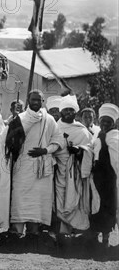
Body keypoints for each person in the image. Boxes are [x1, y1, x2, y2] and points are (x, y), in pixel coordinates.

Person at [5, 90, 63, 244]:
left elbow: (58, 141)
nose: (36, 102)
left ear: (43, 101)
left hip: (41, 167)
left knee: (38, 201)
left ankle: (33, 233)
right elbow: (10, 141)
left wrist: (45, 150)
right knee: (19, 197)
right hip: (22, 165)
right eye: (33, 99)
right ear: (28, 100)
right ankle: (16, 232)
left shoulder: (49, 120)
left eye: (39, 99)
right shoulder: (20, 119)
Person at [53, 95, 93, 243]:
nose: (69, 112)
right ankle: (63, 231)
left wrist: (79, 150)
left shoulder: (82, 131)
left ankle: (74, 232)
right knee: (60, 200)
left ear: (75, 112)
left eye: (71, 110)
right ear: (61, 112)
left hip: (76, 172)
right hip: (58, 170)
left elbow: (90, 149)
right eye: (66, 110)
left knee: (75, 201)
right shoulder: (54, 127)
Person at [90, 103, 119, 248]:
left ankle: (106, 239)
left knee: (108, 207)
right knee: (96, 206)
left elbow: (116, 160)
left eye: (109, 121)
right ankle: (95, 237)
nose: (105, 124)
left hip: (109, 179)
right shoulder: (98, 134)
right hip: (97, 178)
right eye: (103, 121)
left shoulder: (115, 137)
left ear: (114, 123)